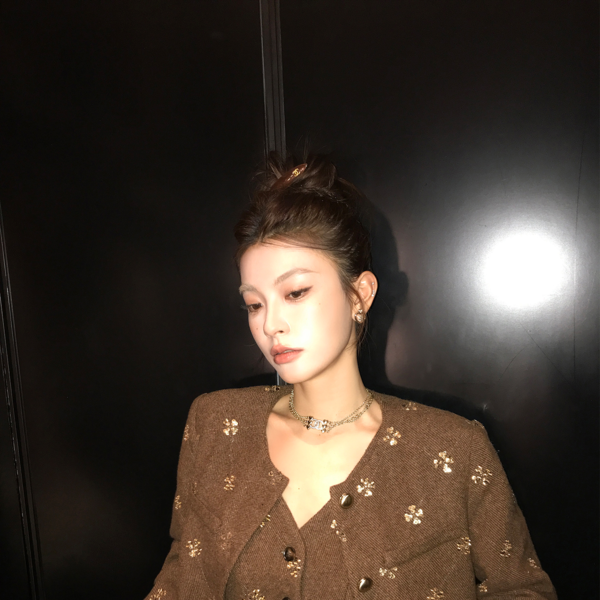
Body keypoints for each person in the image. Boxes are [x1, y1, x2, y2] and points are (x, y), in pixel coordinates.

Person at [144, 155, 556, 600]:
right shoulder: (215, 425)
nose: (270, 325)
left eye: (296, 292)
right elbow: (179, 576)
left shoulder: (452, 451)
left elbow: (523, 590)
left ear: (360, 294)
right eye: (254, 304)